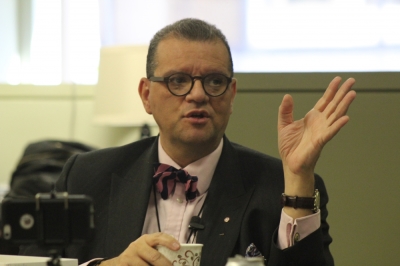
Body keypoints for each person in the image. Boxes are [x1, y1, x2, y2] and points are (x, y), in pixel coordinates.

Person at [20, 18, 356, 265]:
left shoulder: (278, 188)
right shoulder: (86, 175)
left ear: (231, 94)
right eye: (178, 80)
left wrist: (297, 175)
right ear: (146, 95)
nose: (197, 94)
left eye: (213, 81)